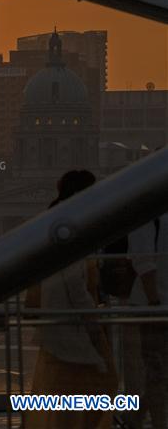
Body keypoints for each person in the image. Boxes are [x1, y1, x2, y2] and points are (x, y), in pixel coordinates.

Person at [25, 170, 117, 429]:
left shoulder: (54, 223)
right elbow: (76, 288)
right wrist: (94, 326)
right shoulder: (70, 228)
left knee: (61, 395)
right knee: (101, 387)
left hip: (56, 331)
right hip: (74, 331)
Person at [126, 209, 167, 429]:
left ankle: (137, 415)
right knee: (157, 371)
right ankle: (157, 422)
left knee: (158, 372)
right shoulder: (149, 214)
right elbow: (143, 262)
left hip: (155, 303)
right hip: (153, 305)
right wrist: (153, 303)